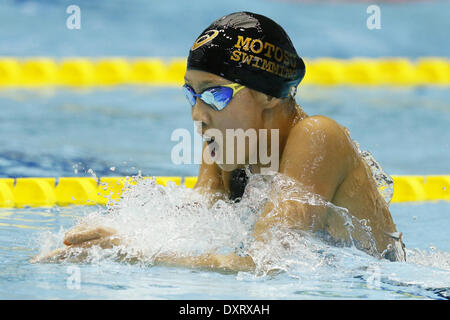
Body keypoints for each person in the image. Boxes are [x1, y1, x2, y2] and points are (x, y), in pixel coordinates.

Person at [31, 11, 406, 270]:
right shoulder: (228, 144)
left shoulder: (318, 137)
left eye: (215, 95)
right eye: (191, 95)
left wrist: (139, 254)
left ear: (270, 94)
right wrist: (115, 236)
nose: (198, 115)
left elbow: (269, 263)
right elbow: (197, 220)